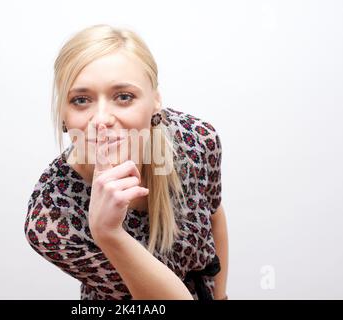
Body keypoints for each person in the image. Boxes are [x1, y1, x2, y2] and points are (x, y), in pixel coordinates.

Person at [24, 24, 229, 300]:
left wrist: (221, 296)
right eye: (81, 100)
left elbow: (215, 218)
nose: (101, 119)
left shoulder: (198, 140)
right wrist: (107, 233)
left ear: (155, 101)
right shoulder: (51, 215)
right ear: (64, 113)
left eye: (123, 97)